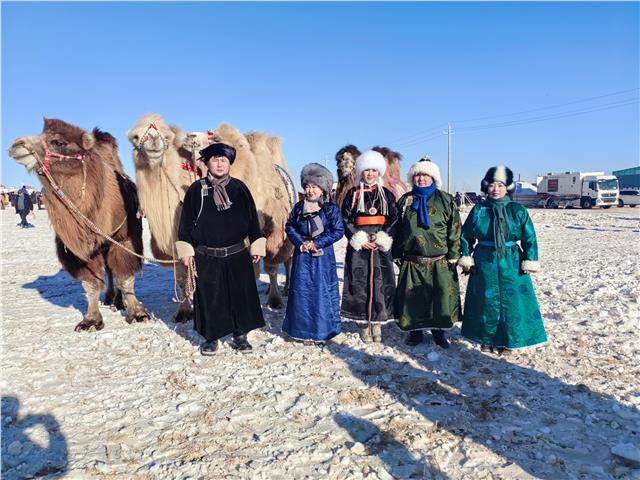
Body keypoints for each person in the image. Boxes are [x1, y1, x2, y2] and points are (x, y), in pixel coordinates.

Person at [176, 142, 266, 355]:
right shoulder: (196, 190)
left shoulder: (239, 188)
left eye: (223, 160)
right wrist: (187, 250)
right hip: (206, 254)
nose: (219, 164)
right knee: (210, 296)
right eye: (215, 159)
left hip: (237, 253)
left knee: (240, 295)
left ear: (229, 164)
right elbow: (185, 223)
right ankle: (211, 336)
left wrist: (256, 245)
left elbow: (253, 219)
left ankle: (240, 335)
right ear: (207, 163)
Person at [459, 166, 547, 355]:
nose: (495, 189)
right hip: (484, 260)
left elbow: (529, 237)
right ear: (486, 187)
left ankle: (509, 340)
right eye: (492, 185)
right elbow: (465, 236)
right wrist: (467, 258)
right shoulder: (479, 210)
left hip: (511, 261)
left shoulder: (517, 210)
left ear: (508, 187)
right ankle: (486, 338)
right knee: (486, 302)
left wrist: (529, 260)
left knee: (511, 302)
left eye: (500, 185)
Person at [393, 156, 462, 349]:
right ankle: (414, 333)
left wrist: (454, 255)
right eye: (417, 175)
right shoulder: (406, 200)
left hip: (439, 260)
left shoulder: (445, 199)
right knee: (413, 298)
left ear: (433, 177)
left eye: (425, 175)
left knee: (439, 299)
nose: (421, 179)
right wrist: (396, 253)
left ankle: (439, 333)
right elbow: (397, 229)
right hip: (412, 260)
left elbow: (455, 229)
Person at [282, 163, 345, 343]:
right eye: (307, 186)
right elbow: (290, 226)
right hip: (302, 256)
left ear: (322, 188)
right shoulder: (299, 207)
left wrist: (318, 243)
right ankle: (300, 330)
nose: (310, 191)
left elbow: (338, 230)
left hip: (323, 258)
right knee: (301, 292)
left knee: (321, 291)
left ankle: (323, 330)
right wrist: (301, 243)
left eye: (314, 187)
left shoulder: (330, 209)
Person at [341, 150, 398, 343]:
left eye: (374, 170)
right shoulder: (353, 194)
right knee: (360, 284)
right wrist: (359, 238)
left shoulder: (387, 195)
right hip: (360, 246)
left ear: (379, 172)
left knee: (380, 283)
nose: (370, 174)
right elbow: (346, 218)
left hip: (380, 246)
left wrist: (382, 237)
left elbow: (394, 218)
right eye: (367, 170)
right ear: (360, 172)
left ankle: (377, 321)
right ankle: (364, 322)